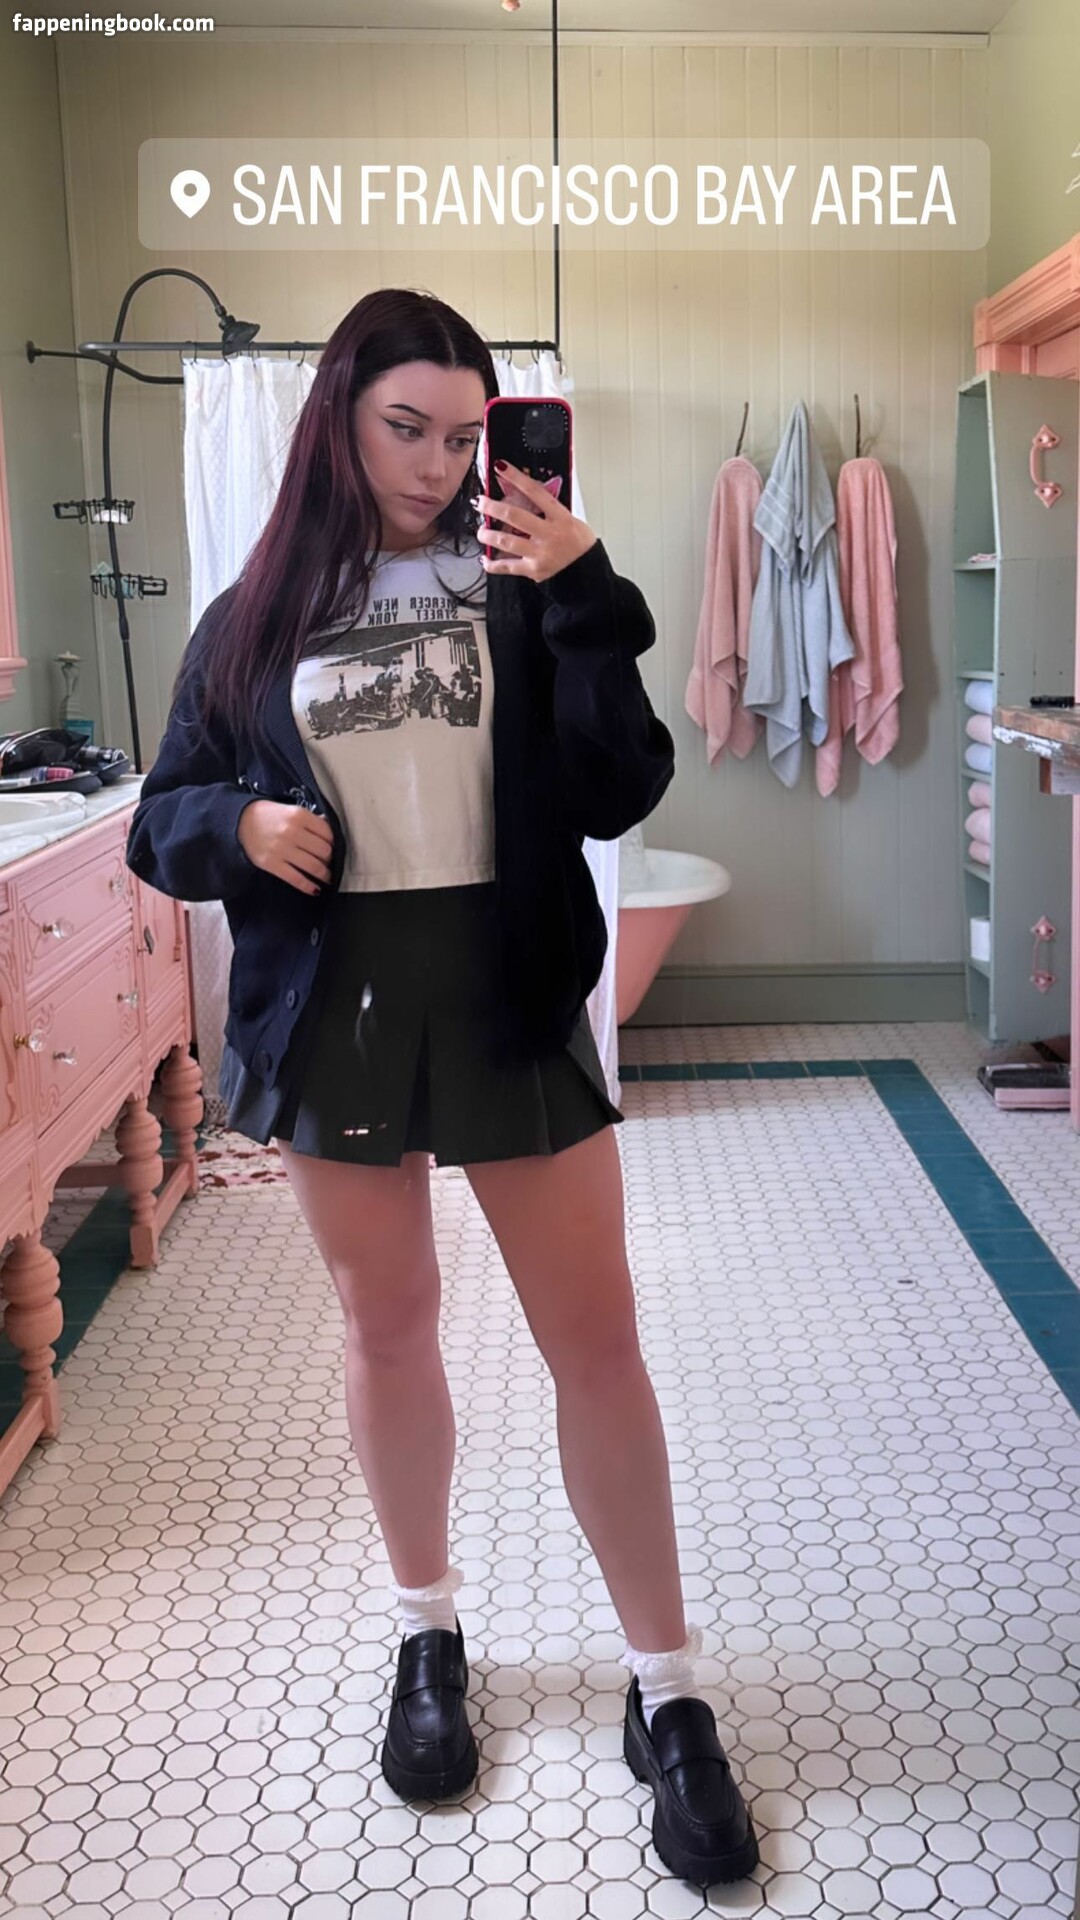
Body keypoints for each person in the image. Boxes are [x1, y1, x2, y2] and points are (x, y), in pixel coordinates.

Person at [125, 288, 758, 1888]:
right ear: (338, 422)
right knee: (388, 1326)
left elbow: (622, 784)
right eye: (405, 427)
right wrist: (240, 829)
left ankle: (668, 1685)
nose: (436, 462)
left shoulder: (528, 586)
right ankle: (427, 1634)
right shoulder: (257, 613)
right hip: (334, 1003)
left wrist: (584, 589)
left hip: (508, 987)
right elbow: (163, 812)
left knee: (595, 1339)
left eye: (465, 434)